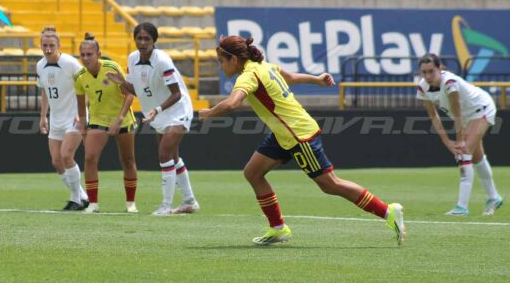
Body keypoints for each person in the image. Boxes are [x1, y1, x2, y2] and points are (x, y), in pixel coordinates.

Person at [199, 35, 405, 245]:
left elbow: (232, 104)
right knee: (253, 173)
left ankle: (387, 211)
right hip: (284, 134)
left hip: (298, 135)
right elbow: (289, 77)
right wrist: (316, 79)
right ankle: (278, 228)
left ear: (234, 60)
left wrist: (207, 113)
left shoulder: (248, 76)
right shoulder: (264, 66)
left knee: (330, 184)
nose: (221, 66)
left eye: (221, 61)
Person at [105, 22, 199, 216]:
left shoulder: (162, 61)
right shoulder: (132, 59)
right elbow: (135, 90)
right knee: (172, 157)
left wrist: (157, 109)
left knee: (164, 154)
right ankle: (190, 200)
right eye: (139, 38)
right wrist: (122, 82)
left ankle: (165, 205)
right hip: (157, 112)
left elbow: (176, 94)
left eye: (147, 38)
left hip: (177, 110)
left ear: (154, 40)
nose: (142, 42)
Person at [417, 53, 503, 216]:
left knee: (463, 154)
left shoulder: (450, 82)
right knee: (476, 158)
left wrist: (460, 141)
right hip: (467, 116)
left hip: (482, 108)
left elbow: (457, 113)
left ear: (440, 68)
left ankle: (462, 207)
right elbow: (433, 116)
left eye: (431, 71)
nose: (428, 76)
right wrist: (447, 142)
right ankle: (494, 197)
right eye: (424, 72)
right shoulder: (422, 87)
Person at [73, 33, 139, 214]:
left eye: (89, 54)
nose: (86, 58)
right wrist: (83, 125)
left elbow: (129, 94)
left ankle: (130, 203)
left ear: (98, 54)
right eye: (83, 54)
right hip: (98, 120)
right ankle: (93, 204)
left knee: (127, 160)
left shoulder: (111, 68)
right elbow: (80, 105)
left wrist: (119, 119)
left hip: (122, 118)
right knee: (89, 158)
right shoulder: (79, 76)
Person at [36, 25, 89, 210]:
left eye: (51, 45)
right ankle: (83, 196)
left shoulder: (70, 63)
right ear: (40, 45)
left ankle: (76, 199)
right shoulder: (40, 65)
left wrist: (81, 112)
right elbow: (44, 91)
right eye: (44, 45)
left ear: (59, 45)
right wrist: (43, 116)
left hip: (75, 117)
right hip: (56, 118)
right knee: (56, 162)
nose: (48, 49)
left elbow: (87, 86)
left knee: (67, 156)